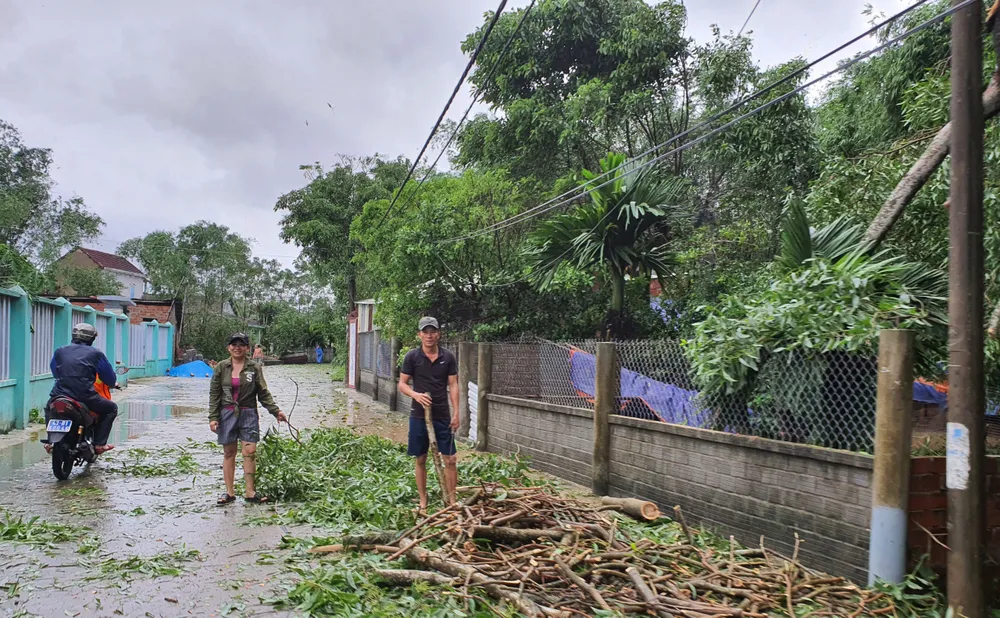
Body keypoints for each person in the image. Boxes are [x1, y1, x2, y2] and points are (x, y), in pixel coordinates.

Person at [208, 332, 286, 505]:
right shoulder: (221, 367)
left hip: (248, 413)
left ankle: (250, 492)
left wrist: (276, 411)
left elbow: (263, 393)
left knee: (249, 453)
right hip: (227, 413)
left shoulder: (253, 368)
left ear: (247, 348)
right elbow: (214, 394)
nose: (237, 348)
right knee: (229, 452)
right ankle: (229, 492)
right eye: (234, 344)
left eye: (241, 345)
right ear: (229, 347)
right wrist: (213, 417)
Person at [397, 317, 459, 512]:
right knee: (421, 458)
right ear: (420, 335)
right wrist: (416, 395)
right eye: (426, 332)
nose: (429, 335)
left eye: (433, 331)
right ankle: (423, 501)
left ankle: (452, 500)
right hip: (418, 415)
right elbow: (402, 384)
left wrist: (457, 412)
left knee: (450, 459)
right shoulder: (412, 357)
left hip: (442, 414)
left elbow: (453, 384)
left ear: (438, 334)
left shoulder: (448, 357)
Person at [49, 323, 119, 454]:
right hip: (85, 397)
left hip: (59, 394)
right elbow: (109, 377)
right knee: (111, 408)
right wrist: (110, 382)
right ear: (92, 338)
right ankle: (99, 444)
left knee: (50, 407)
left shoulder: (60, 351)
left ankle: (50, 441)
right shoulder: (96, 354)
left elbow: (55, 371)